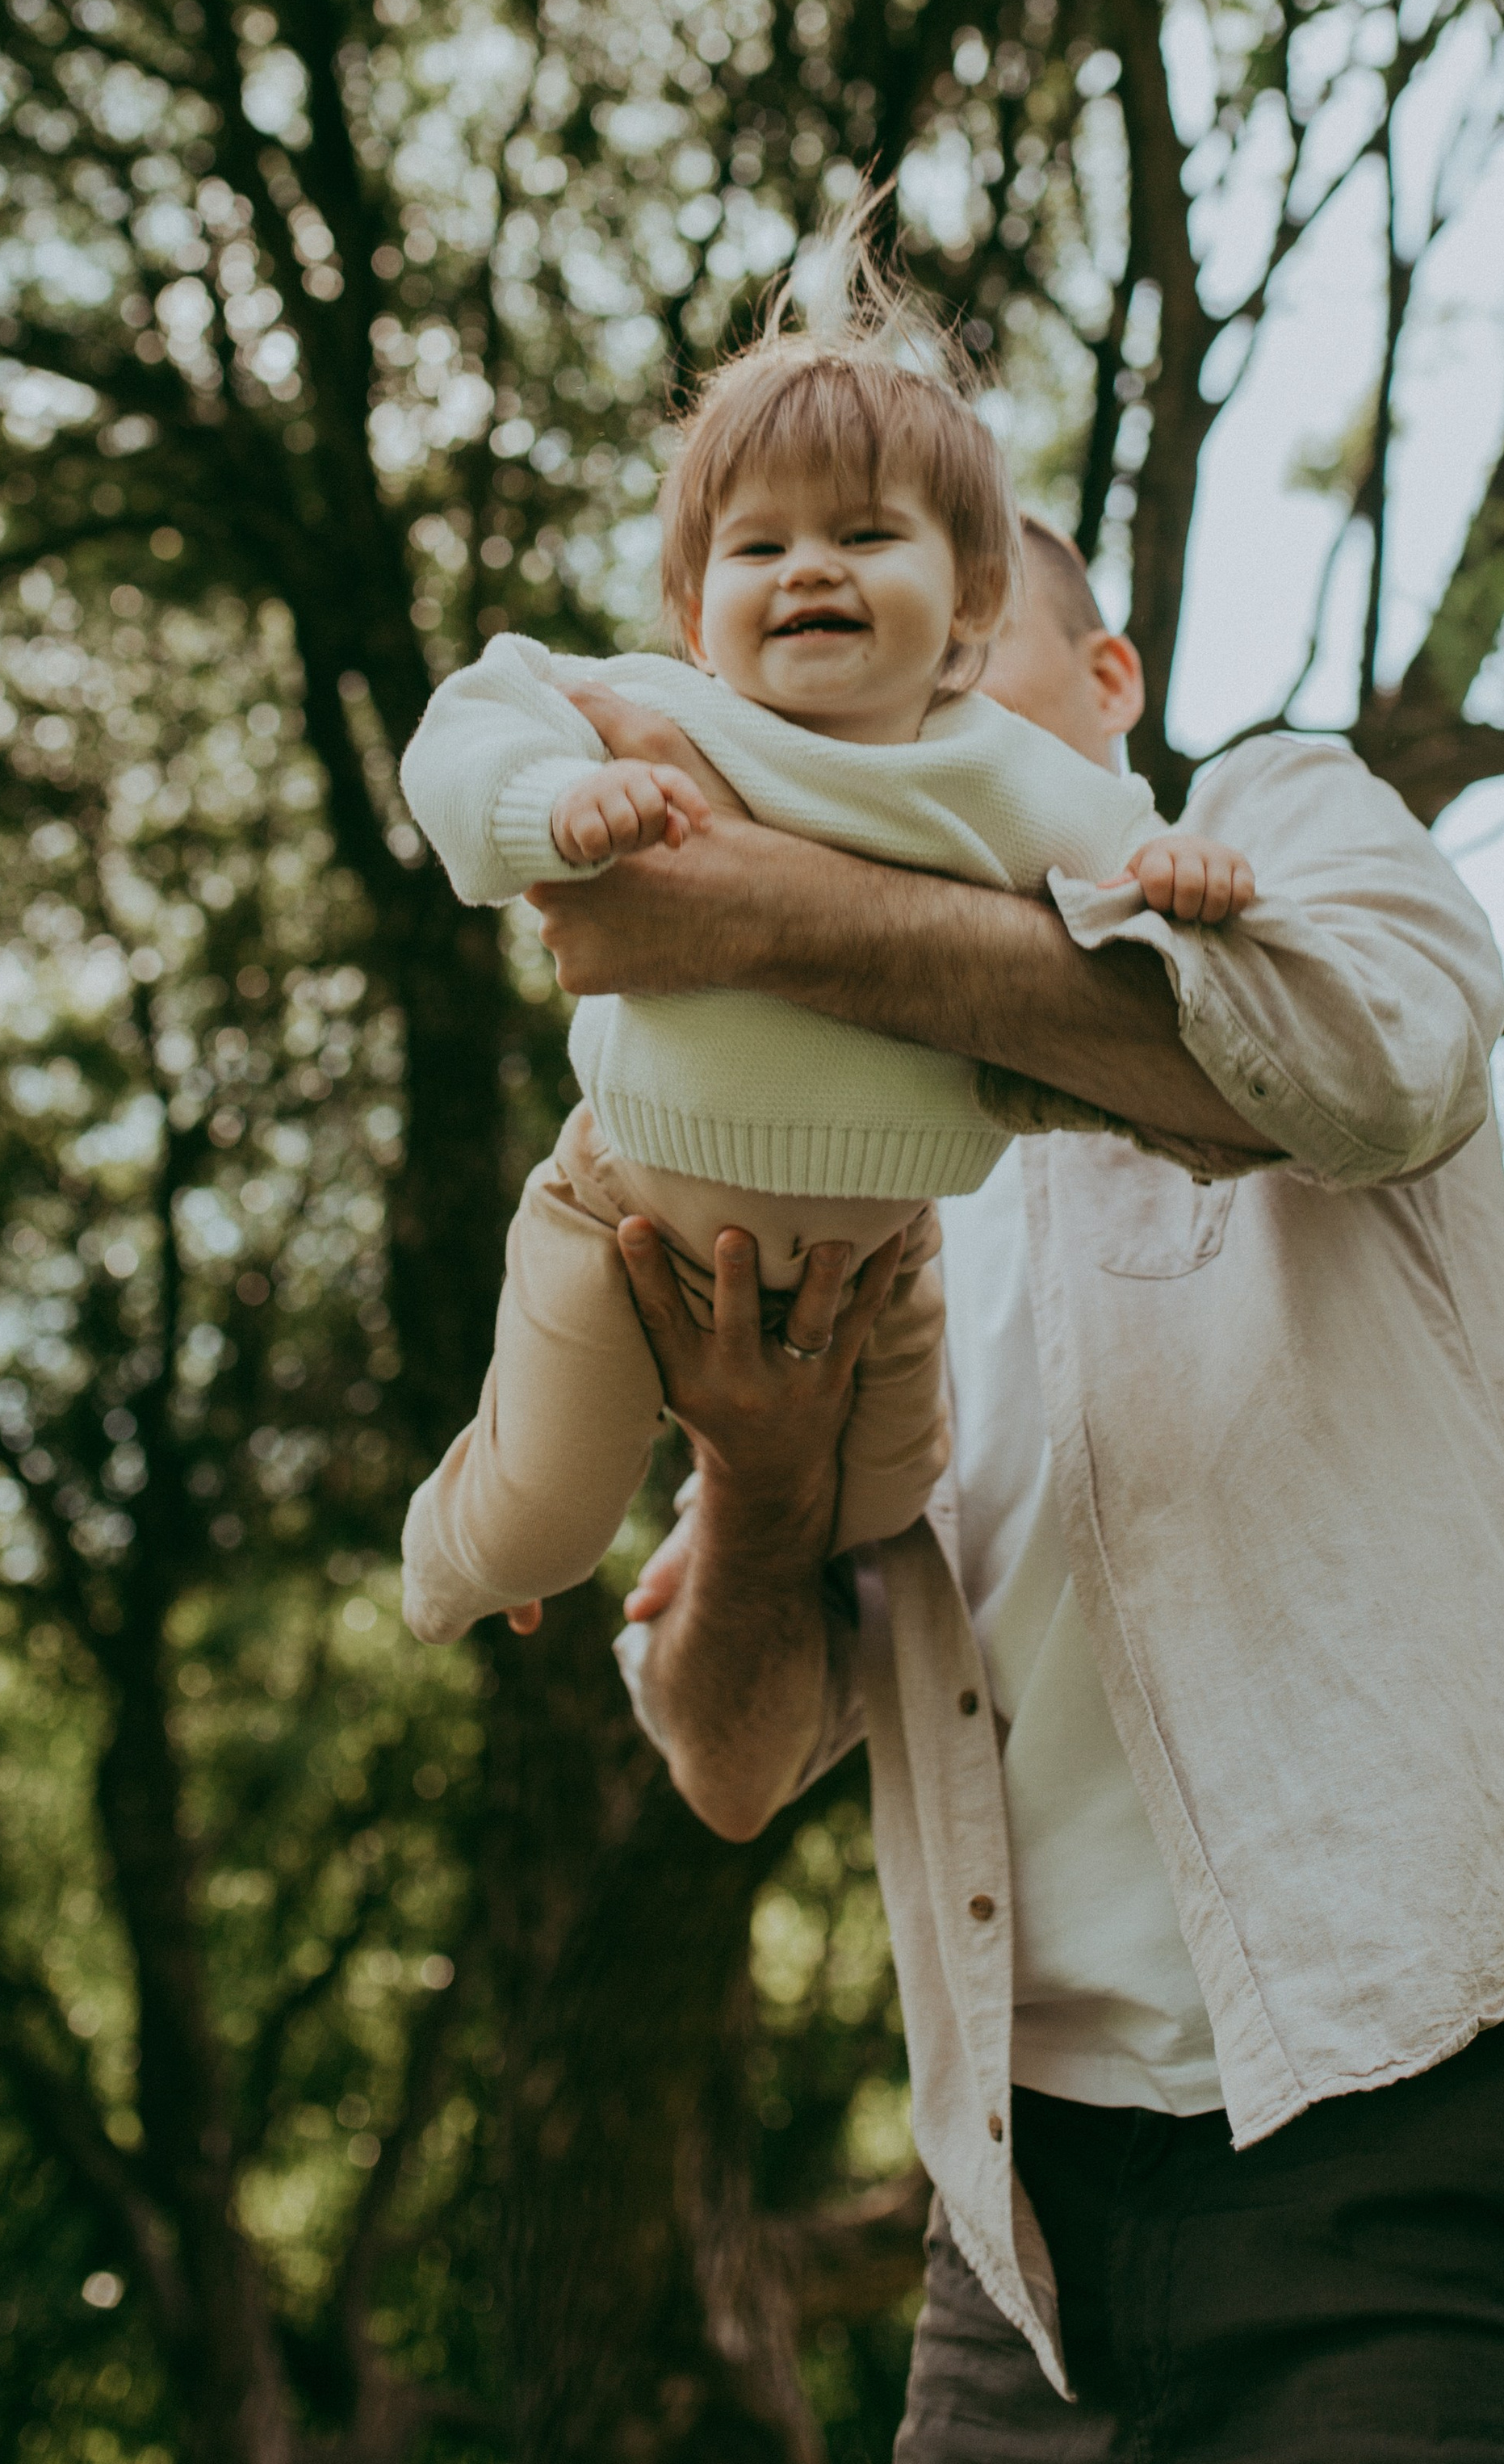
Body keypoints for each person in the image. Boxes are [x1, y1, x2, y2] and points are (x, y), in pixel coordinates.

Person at [534, 526, 1504, 2458]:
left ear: (1105, 687)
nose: (872, 716)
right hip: (1023, 2252)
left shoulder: (1285, 822)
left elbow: (1374, 1070)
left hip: (1443, 2107)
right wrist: (759, 1490)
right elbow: (730, 1753)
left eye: (953, 647)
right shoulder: (814, 1163)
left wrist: (760, 912)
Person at [394, 239, 1250, 1648]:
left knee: (881, 1513)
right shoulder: (661, 711)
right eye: (760, 546)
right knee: (543, 1517)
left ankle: (694, 1538)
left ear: (971, 600)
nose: (810, 572)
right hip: (625, 1209)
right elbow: (471, 719)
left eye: (864, 537)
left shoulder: (995, 771)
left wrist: (1177, 867)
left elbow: (1125, 855)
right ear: (695, 612)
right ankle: (446, 1553)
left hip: (883, 1253)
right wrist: (556, 802)